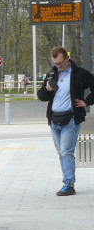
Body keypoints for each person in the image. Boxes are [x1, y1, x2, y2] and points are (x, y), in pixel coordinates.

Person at [36, 46, 94, 196]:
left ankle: (69, 184)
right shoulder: (52, 74)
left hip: (71, 118)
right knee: (61, 152)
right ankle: (68, 182)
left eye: (61, 62)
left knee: (66, 152)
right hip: (54, 119)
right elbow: (41, 96)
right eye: (56, 63)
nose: (59, 66)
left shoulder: (78, 74)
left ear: (67, 58)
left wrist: (86, 102)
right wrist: (47, 90)